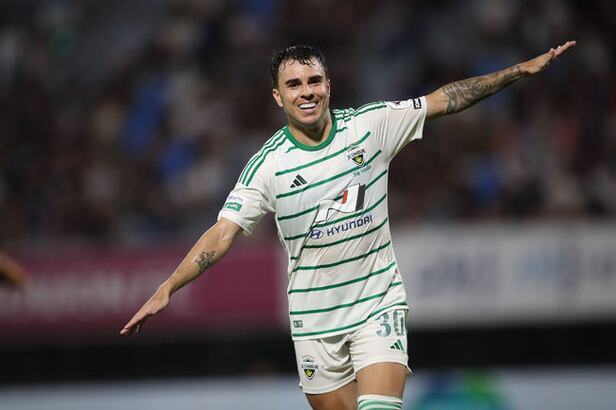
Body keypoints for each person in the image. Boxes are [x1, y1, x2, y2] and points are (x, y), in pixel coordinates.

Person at [121, 41, 576, 410]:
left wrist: (518, 71)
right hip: (314, 322)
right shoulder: (267, 166)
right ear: (278, 97)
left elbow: (445, 99)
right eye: (294, 84)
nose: (306, 92)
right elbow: (223, 233)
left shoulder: (371, 126)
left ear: (328, 86)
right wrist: (169, 286)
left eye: (313, 81)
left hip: (378, 305)